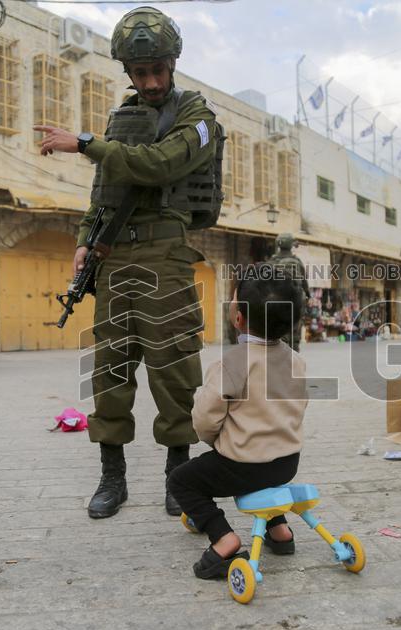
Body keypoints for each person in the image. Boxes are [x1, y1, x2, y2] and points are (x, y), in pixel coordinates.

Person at [35, 6, 221, 519]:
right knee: (110, 366)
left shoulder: (198, 117)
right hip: (115, 254)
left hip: (166, 249)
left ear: (173, 62)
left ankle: (177, 477)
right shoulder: (122, 119)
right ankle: (111, 477)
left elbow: (162, 164)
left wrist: (86, 143)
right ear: (128, 72)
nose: (152, 80)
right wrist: (85, 239)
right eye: (141, 72)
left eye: (159, 69)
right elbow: (105, 192)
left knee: (174, 366)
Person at [167, 273, 308, 579]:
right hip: (287, 461)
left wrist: (215, 441)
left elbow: (205, 419)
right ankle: (279, 531)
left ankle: (223, 538)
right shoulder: (296, 360)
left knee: (182, 481)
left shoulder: (233, 363)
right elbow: (299, 406)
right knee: (259, 471)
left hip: (244, 462)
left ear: (239, 318)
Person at [266, 233, 310, 351]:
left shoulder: (271, 262)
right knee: (294, 335)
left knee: (278, 334)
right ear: (291, 245)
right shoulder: (297, 262)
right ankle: (293, 357)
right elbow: (305, 285)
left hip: (277, 304)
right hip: (296, 304)